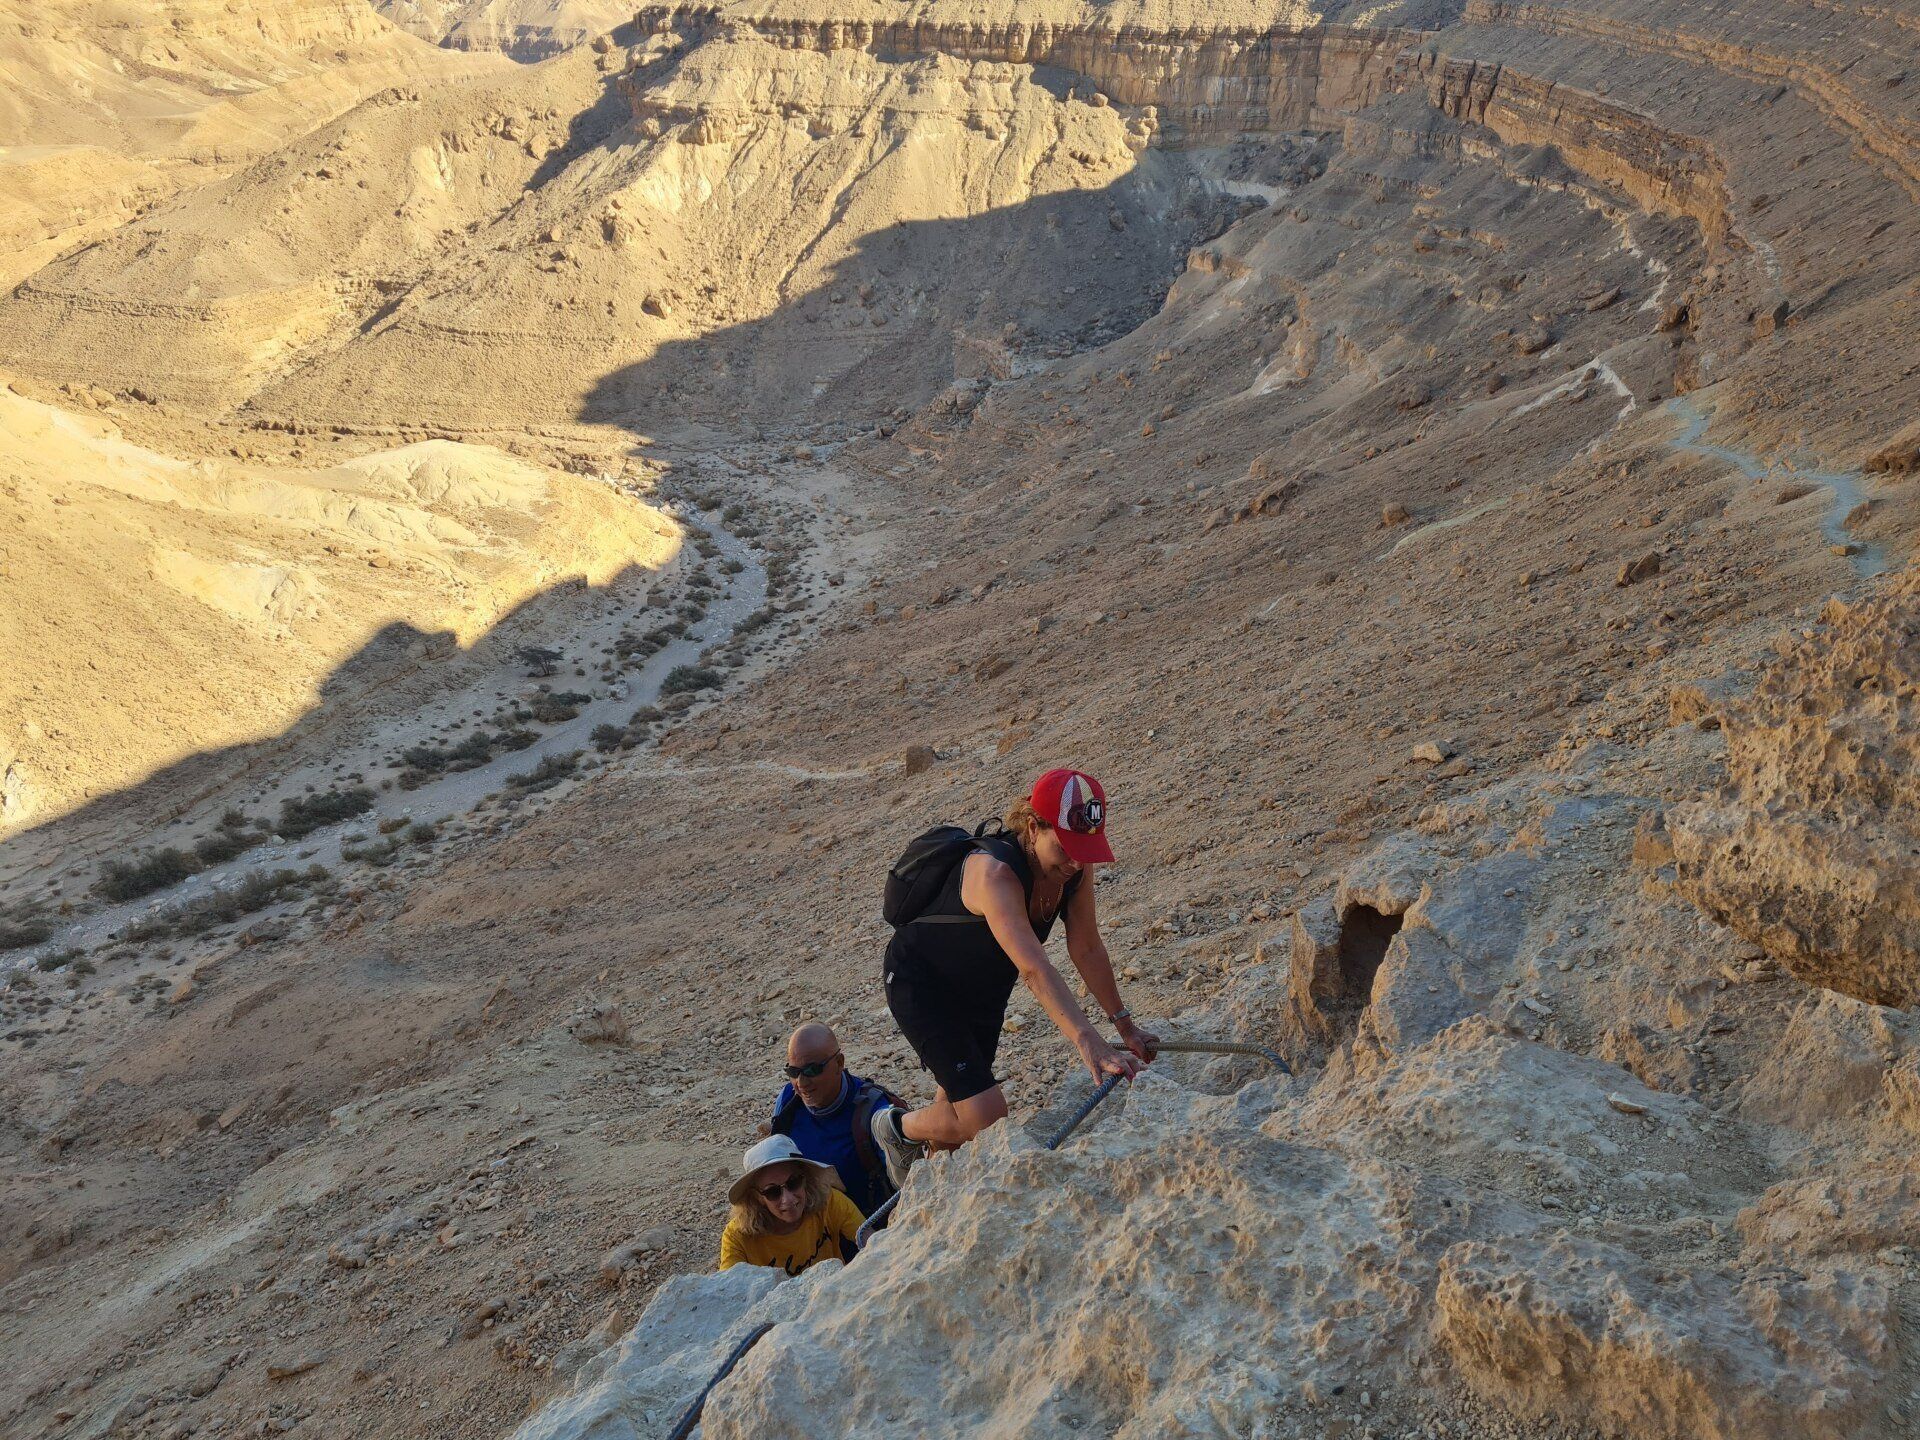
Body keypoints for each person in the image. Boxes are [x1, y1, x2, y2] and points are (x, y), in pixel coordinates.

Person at [869, 768, 1158, 1186]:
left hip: (983, 988)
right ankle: (894, 1128)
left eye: (1085, 848)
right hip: (923, 983)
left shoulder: (1074, 869)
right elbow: (1034, 967)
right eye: (1065, 847)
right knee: (985, 1119)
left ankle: (929, 1188)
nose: (1076, 861)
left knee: (960, 1106)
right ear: (1034, 825)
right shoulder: (996, 874)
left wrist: (1125, 1026)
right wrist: (1089, 1043)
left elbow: (1087, 947)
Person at [767, 1022, 902, 1216]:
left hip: (866, 1234)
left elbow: (907, 1189)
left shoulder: (874, 1112)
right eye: (793, 1073)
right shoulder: (789, 1101)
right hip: (808, 1230)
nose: (801, 1083)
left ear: (839, 1063)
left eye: (812, 1070)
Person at [717, 1134, 865, 1275]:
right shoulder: (737, 1237)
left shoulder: (829, 1201)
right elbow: (729, 1292)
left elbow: (871, 1239)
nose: (787, 1199)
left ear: (805, 1179)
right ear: (757, 1197)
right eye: (772, 1192)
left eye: (793, 1182)